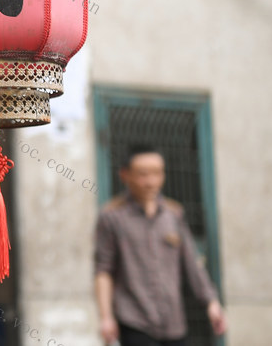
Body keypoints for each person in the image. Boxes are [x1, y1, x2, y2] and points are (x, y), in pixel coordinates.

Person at [95, 145, 227, 345]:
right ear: (125, 175)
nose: (151, 182)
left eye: (157, 173)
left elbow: (192, 264)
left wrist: (211, 302)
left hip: (174, 323)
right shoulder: (112, 217)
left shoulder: (174, 214)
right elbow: (103, 270)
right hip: (134, 321)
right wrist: (106, 317)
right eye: (142, 174)